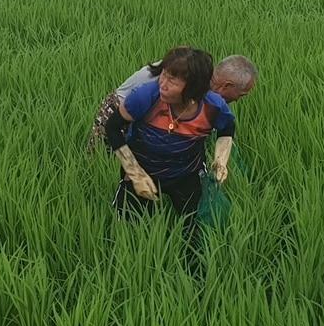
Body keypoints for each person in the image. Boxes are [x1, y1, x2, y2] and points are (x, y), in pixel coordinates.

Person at [102, 46, 236, 241]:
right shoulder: (146, 96)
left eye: (172, 80)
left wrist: (221, 161)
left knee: (193, 228)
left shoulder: (213, 107)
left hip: (186, 174)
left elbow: (226, 131)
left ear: (193, 87)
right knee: (127, 231)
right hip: (142, 170)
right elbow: (113, 128)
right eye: (163, 75)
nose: (162, 84)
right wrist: (134, 173)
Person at [88, 53, 257, 152]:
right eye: (241, 94)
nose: (238, 99)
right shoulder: (186, 78)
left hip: (146, 116)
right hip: (119, 110)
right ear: (227, 85)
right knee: (103, 159)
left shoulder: (209, 95)